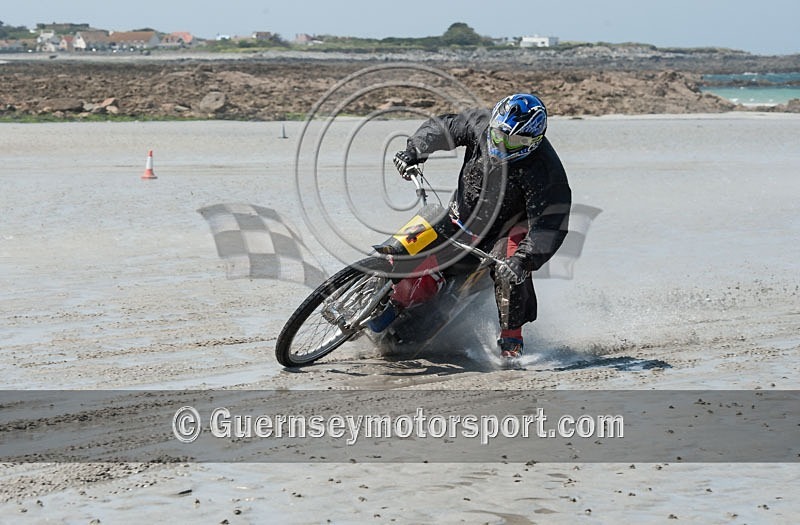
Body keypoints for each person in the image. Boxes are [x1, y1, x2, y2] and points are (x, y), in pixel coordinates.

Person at [392, 93, 571, 360]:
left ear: (532, 140)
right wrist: (413, 152)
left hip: (507, 232)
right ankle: (383, 291)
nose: (503, 144)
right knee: (416, 244)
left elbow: (549, 225)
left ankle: (512, 342)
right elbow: (441, 128)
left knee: (508, 268)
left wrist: (524, 259)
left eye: (514, 140)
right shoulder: (481, 123)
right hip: (459, 214)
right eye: (499, 135)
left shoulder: (546, 171)